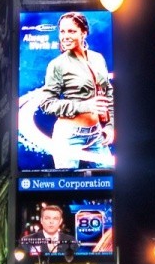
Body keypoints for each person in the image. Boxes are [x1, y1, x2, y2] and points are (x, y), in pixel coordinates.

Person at [35, 12, 114, 170]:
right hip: (69, 136)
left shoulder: (98, 58)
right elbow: (47, 104)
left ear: (83, 33)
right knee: (68, 189)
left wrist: (110, 125)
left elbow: (108, 93)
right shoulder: (57, 65)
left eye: (71, 31)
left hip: (97, 134)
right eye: (62, 32)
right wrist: (85, 106)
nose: (65, 36)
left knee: (109, 188)